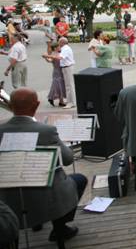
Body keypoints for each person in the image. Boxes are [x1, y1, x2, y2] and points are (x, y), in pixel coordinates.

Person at [0, 88, 88, 243]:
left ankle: (36, 224)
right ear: (37, 105)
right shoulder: (46, 131)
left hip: (8, 199)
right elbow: (68, 159)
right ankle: (59, 228)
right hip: (46, 198)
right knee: (79, 179)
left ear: (11, 106)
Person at [51, 37, 76, 109]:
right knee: (68, 86)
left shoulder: (65, 48)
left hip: (68, 67)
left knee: (69, 86)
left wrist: (48, 56)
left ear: (62, 42)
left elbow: (60, 57)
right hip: (66, 67)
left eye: (59, 42)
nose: (58, 43)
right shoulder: (65, 48)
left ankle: (71, 102)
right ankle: (70, 101)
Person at [42, 42, 66, 107]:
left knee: (60, 86)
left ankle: (60, 101)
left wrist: (46, 57)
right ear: (55, 48)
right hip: (57, 71)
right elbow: (49, 60)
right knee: (58, 86)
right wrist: (46, 58)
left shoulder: (59, 53)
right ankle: (54, 98)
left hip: (61, 71)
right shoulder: (54, 54)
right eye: (58, 47)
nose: (60, 47)